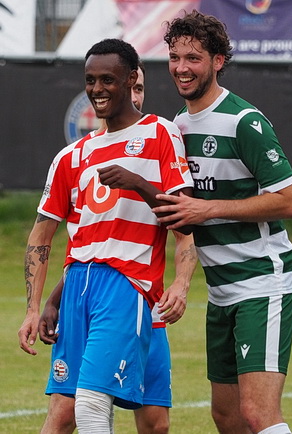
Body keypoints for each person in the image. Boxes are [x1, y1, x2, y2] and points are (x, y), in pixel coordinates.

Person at [19, 38, 193, 433]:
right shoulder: (72, 156)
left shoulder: (160, 133)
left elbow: (183, 221)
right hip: (81, 286)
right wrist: (39, 306)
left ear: (132, 80)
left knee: (133, 416)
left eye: (107, 80)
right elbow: (43, 236)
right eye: (90, 80)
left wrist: (181, 283)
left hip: (130, 286)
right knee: (72, 408)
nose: (96, 89)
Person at [153, 10, 292, 434]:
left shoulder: (244, 122)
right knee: (226, 415)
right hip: (221, 292)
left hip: (264, 280)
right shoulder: (177, 126)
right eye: (175, 57)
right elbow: (181, 212)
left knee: (258, 414)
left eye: (194, 58)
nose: (182, 68)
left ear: (218, 61)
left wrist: (209, 208)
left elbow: (291, 201)